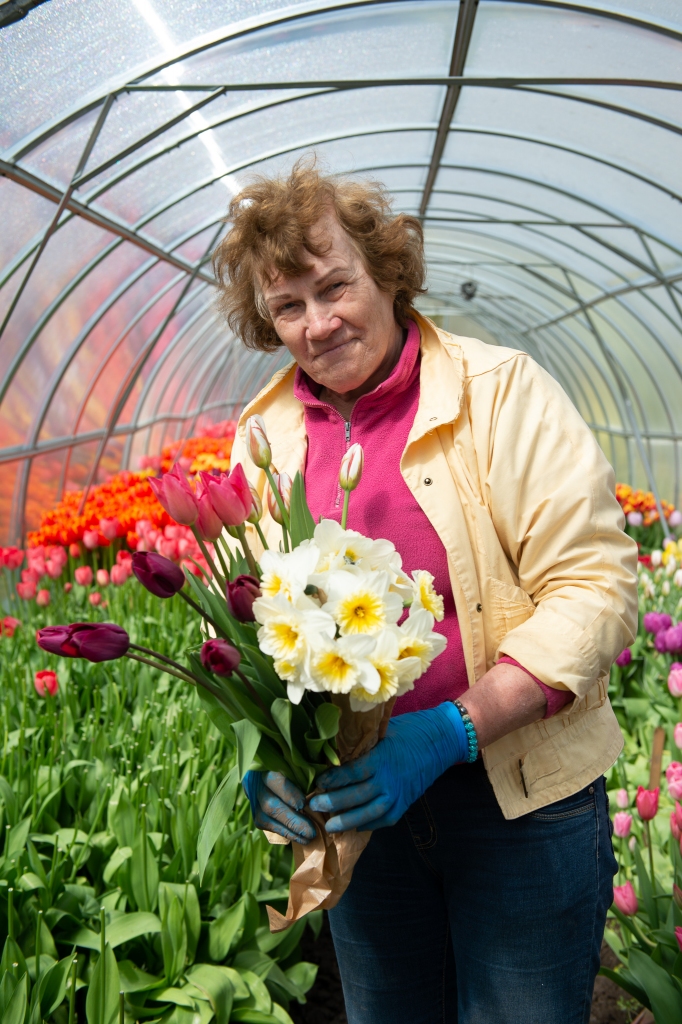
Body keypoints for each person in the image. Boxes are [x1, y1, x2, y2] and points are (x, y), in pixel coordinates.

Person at [213, 161, 638, 1024]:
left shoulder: (500, 393)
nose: (318, 324)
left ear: (387, 273)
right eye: (287, 306)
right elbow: (257, 619)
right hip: (364, 813)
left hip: (520, 802)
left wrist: (453, 730)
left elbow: (595, 586)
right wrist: (269, 756)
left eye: (336, 286)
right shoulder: (267, 435)